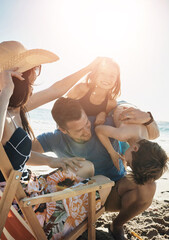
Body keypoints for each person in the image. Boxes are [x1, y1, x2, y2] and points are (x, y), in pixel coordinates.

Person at [0, 41, 111, 239]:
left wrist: (53, 161)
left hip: (32, 190)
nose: (34, 83)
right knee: (104, 183)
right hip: (31, 212)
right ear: (17, 79)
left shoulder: (15, 109)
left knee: (85, 166)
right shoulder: (5, 114)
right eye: (32, 78)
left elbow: (56, 90)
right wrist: (5, 91)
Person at [32, 97, 166, 240]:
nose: (87, 131)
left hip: (114, 191)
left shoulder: (103, 123)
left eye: (86, 123)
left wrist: (148, 118)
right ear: (63, 130)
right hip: (82, 199)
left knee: (148, 185)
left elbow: (149, 132)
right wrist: (51, 160)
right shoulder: (54, 139)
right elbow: (19, 153)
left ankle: (117, 225)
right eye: (79, 130)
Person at [95, 102, 154, 170]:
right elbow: (98, 130)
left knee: (126, 149)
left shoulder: (145, 137)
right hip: (116, 107)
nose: (127, 162)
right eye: (128, 163)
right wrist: (112, 152)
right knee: (125, 149)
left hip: (130, 106)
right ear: (135, 148)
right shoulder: (122, 135)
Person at [67, 57, 121, 125]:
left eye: (112, 76)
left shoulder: (111, 103)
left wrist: (103, 114)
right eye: (103, 73)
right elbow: (60, 106)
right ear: (95, 74)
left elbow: (106, 114)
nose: (107, 78)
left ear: (116, 80)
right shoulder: (81, 88)